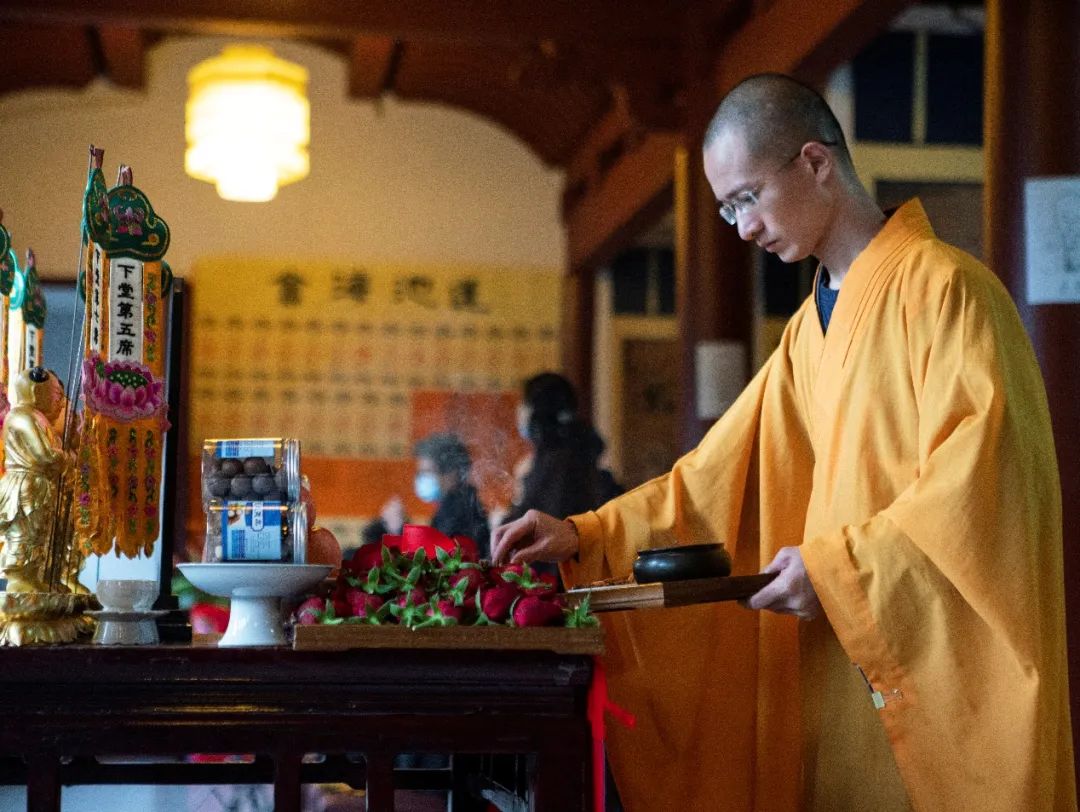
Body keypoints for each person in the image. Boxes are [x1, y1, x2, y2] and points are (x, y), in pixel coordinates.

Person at [493, 73, 1075, 811]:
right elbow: (716, 479)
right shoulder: (808, 332)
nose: (742, 228)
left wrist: (838, 570)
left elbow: (982, 488)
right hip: (835, 661)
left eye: (748, 198)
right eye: (727, 208)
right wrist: (587, 533)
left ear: (815, 162)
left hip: (927, 676)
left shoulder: (949, 291)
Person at [504, 372, 624, 525]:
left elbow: (523, 524)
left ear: (536, 413)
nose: (518, 411)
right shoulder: (584, 451)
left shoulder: (554, 464)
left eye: (523, 405)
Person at [0, 367, 71, 593]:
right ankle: (20, 579)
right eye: (57, 395)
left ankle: (32, 577)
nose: (60, 403)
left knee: (40, 535)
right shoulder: (22, 416)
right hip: (26, 484)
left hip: (39, 485)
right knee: (25, 533)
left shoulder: (38, 418)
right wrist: (67, 458)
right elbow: (45, 455)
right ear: (36, 391)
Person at [363, 432, 489, 558]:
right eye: (420, 473)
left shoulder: (460, 509)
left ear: (452, 473)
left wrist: (399, 528)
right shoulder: (454, 504)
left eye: (427, 472)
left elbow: (438, 558)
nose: (421, 478)